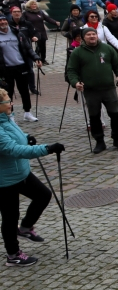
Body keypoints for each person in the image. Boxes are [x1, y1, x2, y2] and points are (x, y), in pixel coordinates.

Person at [0, 88, 64, 267]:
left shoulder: (6, 118)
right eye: (7, 101)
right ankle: (13, 255)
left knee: (43, 195)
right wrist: (47, 149)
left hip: (21, 174)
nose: (11, 103)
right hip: (5, 181)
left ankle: (26, 227)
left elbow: (16, 138)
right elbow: (14, 150)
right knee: (10, 217)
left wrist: (27, 136)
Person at [66, 26, 118, 153]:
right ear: (83, 38)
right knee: (94, 117)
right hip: (90, 90)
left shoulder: (107, 48)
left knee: (115, 114)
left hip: (108, 88)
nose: (92, 36)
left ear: (97, 35)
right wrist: (75, 82)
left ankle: (117, 138)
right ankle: (99, 141)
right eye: (88, 35)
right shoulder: (77, 52)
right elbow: (71, 70)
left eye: (93, 34)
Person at [0, 14, 41, 123]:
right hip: (5, 69)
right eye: (1, 21)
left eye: (4, 20)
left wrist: (36, 58)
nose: (3, 22)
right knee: (7, 93)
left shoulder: (17, 33)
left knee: (24, 90)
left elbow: (28, 49)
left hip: (21, 66)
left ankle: (27, 113)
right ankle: (10, 115)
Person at [21, 0, 57, 64]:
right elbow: (23, 22)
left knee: (43, 46)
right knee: (37, 46)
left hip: (42, 31)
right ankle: (36, 59)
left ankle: (43, 59)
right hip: (33, 32)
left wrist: (55, 22)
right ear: (29, 6)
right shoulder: (25, 13)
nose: (34, 6)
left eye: (35, 4)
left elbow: (47, 18)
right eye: (32, 4)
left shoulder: (40, 12)